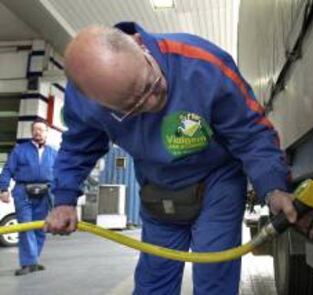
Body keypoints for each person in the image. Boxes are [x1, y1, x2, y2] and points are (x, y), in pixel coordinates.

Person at [45, 23, 299, 294]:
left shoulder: (202, 65)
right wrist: (64, 200)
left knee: (215, 274)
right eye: (133, 106)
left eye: (150, 84)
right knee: (155, 279)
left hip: (217, 179)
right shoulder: (85, 100)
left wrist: (273, 187)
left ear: (141, 45)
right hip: (157, 186)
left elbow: (249, 132)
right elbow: (78, 147)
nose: (153, 102)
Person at [0, 119, 57, 276]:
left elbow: (59, 174)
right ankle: (28, 263)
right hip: (23, 192)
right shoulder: (20, 150)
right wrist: (3, 188)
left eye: (41, 130)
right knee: (26, 227)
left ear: (47, 132)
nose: (38, 132)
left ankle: (33, 261)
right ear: (32, 132)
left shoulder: (53, 152)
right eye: (35, 129)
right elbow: (7, 170)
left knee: (40, 228)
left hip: (45, 193)